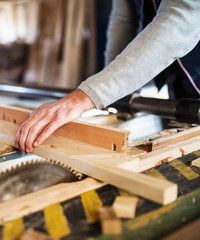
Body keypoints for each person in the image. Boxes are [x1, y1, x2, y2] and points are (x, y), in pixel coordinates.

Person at [15, 0, 200, 154]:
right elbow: (124, 18)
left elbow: (180, 18)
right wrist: (113, 93)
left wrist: (85, 97)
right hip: (181, 81)